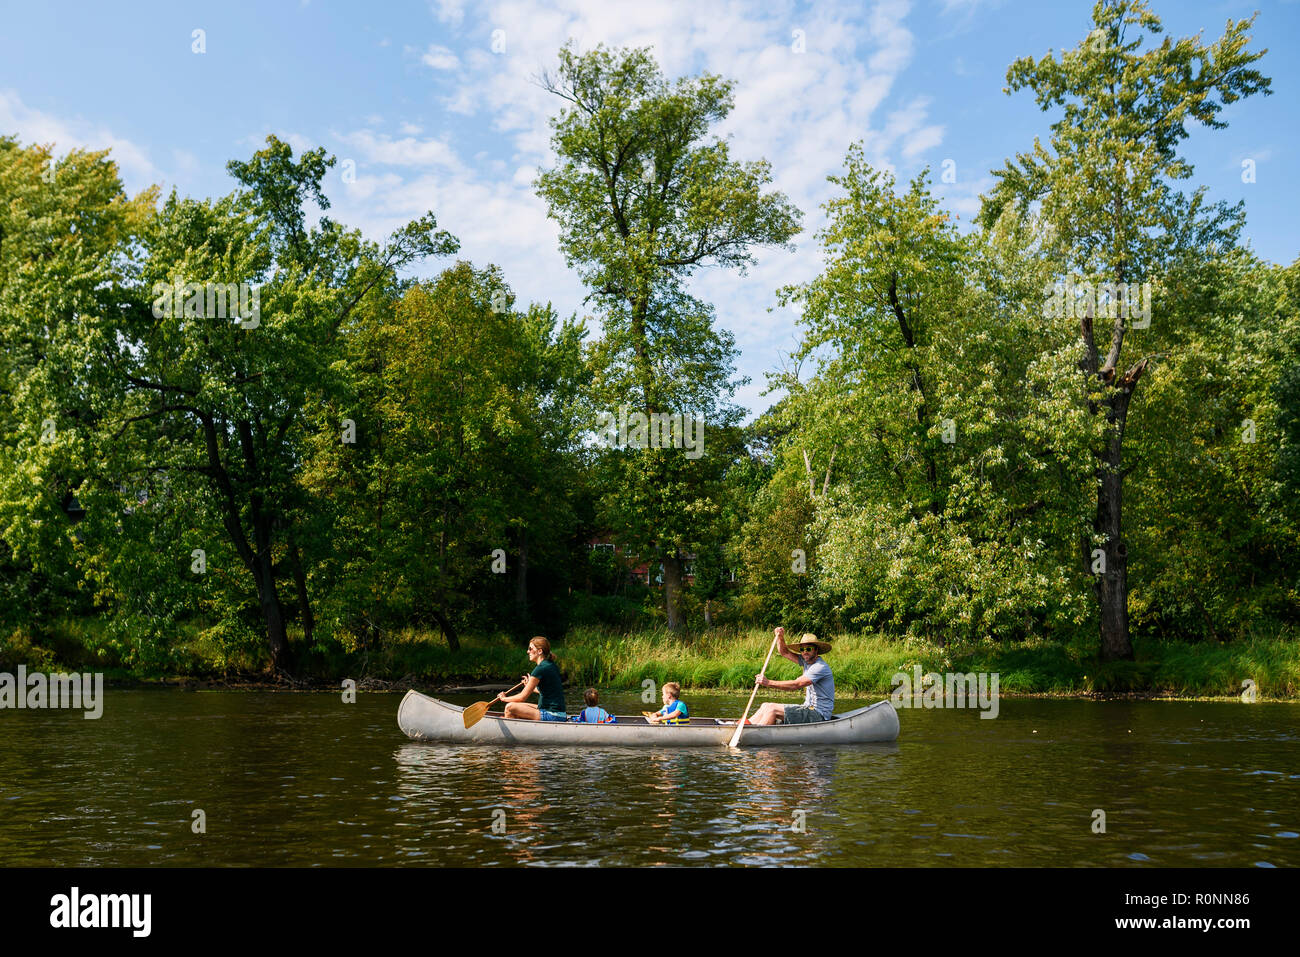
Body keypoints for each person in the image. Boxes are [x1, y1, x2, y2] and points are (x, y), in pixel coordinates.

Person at [750, 627, 834, 725]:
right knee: (765, 706)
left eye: (808, 649)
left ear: (816, 650)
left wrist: (768, 682)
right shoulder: (806, 661)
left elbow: (796, 684)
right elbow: (784, 652)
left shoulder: (820, 667)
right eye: (802, 649)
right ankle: (744, 726)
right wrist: (780, 637)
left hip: (819, 714)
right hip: (807, 708)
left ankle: (756, 734)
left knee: (771, 709)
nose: (805, 652)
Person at [497, 636, 567, 721]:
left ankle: (512, 728)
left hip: (552, 715)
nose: (528, 651)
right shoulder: (551, 665)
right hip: (560, 714)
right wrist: (529, 685)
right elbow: (547, 691)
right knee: (516, 707)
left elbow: (521, 698)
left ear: (539, 651)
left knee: (509, 707)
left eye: (530, 648)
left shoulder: (540, 669)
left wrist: (503, 698)